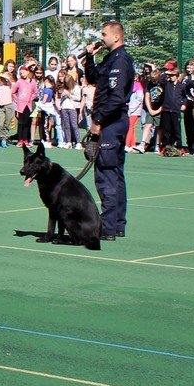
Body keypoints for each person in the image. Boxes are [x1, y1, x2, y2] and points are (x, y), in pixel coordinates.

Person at [81, 21, 135, 241]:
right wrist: (90, 57)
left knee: (106, 174)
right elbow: (94, 77)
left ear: (116, 37)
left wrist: (98, 121)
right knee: (114, 174)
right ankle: (117, 224)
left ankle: (108, 226)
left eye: (104, 34)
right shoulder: (111, 58)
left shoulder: (121, 60)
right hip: (111, 121)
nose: (101, 38)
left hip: (111, 122)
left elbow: (117, 97)